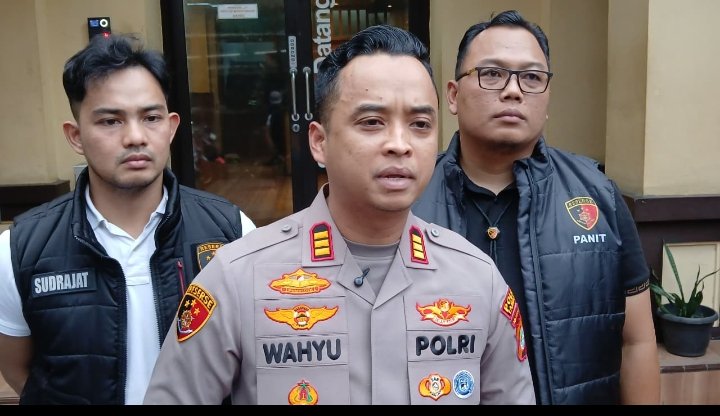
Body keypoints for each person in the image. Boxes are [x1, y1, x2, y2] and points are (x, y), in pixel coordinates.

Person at [143, 25, 535, 405]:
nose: (399, 144)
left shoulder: (476, 279)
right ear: (319, 141)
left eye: (420, 125)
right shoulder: (237, 278)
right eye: (372, 122)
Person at [413, 10, 660, 405]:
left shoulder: (598, 195)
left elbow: (638, 341)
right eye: (492, 74)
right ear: (453, 96)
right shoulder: (410, 201)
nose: (513, 90)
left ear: (546, 98)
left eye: (531, 78)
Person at [0, 34, 256, 405]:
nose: (135, 137)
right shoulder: (20, 249)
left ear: (171, 127)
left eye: (151, 118)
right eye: (110, 121)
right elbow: (18, 369)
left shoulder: (232, 231)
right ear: (76, 136)